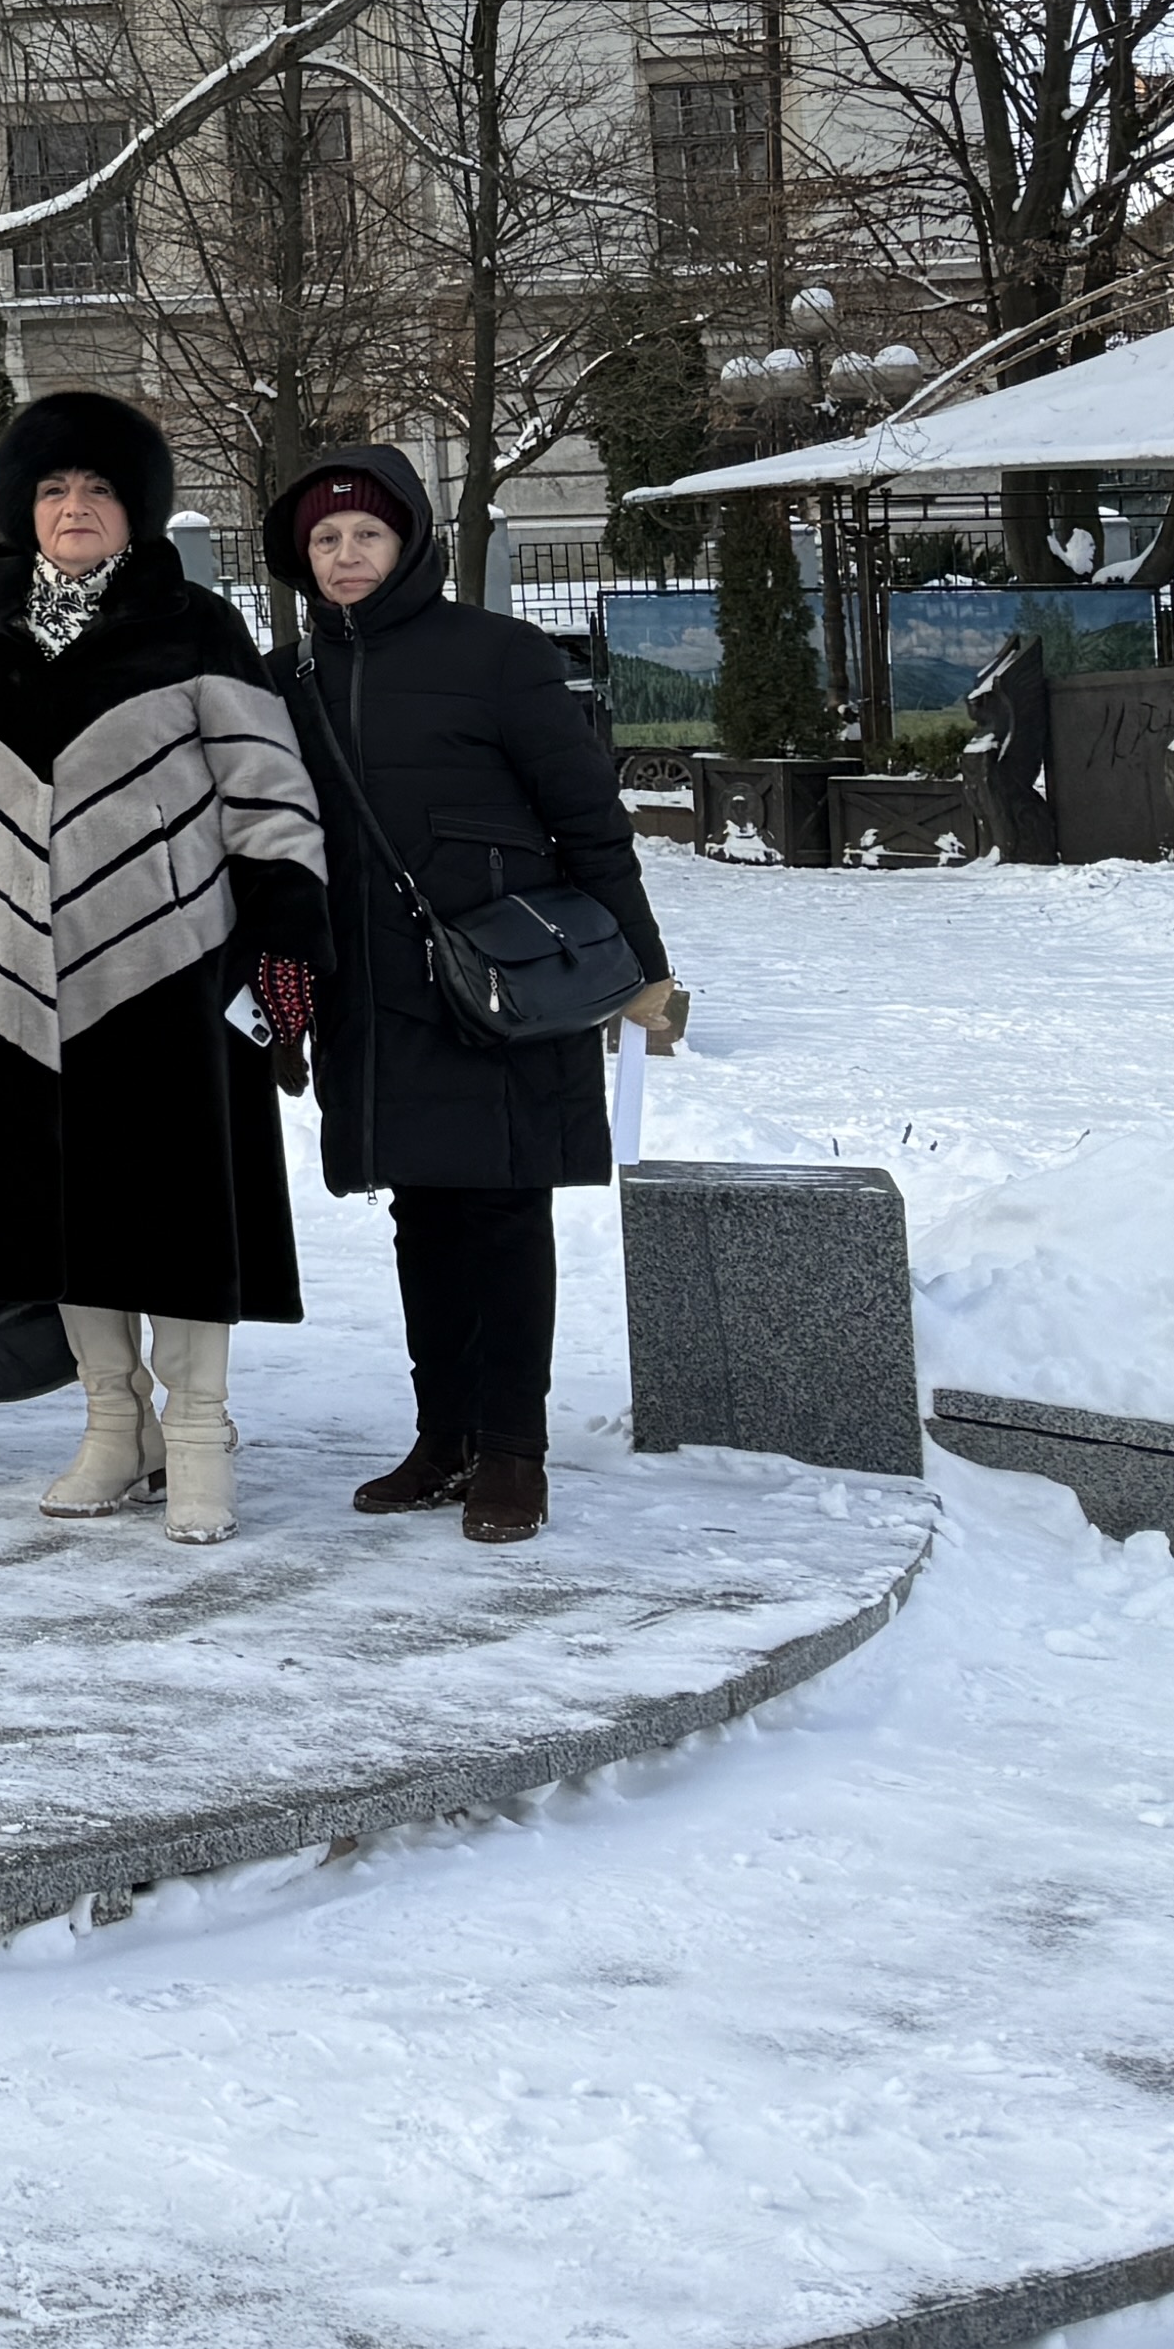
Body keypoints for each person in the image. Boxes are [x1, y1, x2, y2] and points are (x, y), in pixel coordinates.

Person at [0, 395, 328, 1545]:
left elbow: (268, 789)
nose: (74, 507)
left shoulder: (195, 625)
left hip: (169, 969)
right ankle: (113, 1428)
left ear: (136, 511)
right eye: (52, 489)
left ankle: (199, 1434)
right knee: (58, 1217)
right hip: (9, 981)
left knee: (177, 1215)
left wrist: (284, 930)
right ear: (23, 510)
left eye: (96, 489)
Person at [265, 443, 680, 1547]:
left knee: (502, 1213)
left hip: (500, 987)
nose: (346, 554)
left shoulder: (500, 657)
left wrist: (642, 970)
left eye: (367, 533)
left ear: (409, 543)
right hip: (371, 994)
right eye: (324, 538)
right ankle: (441, 1436)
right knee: (422, 1215)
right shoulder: (286, 681)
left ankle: (511, 1451)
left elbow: (588, 820)